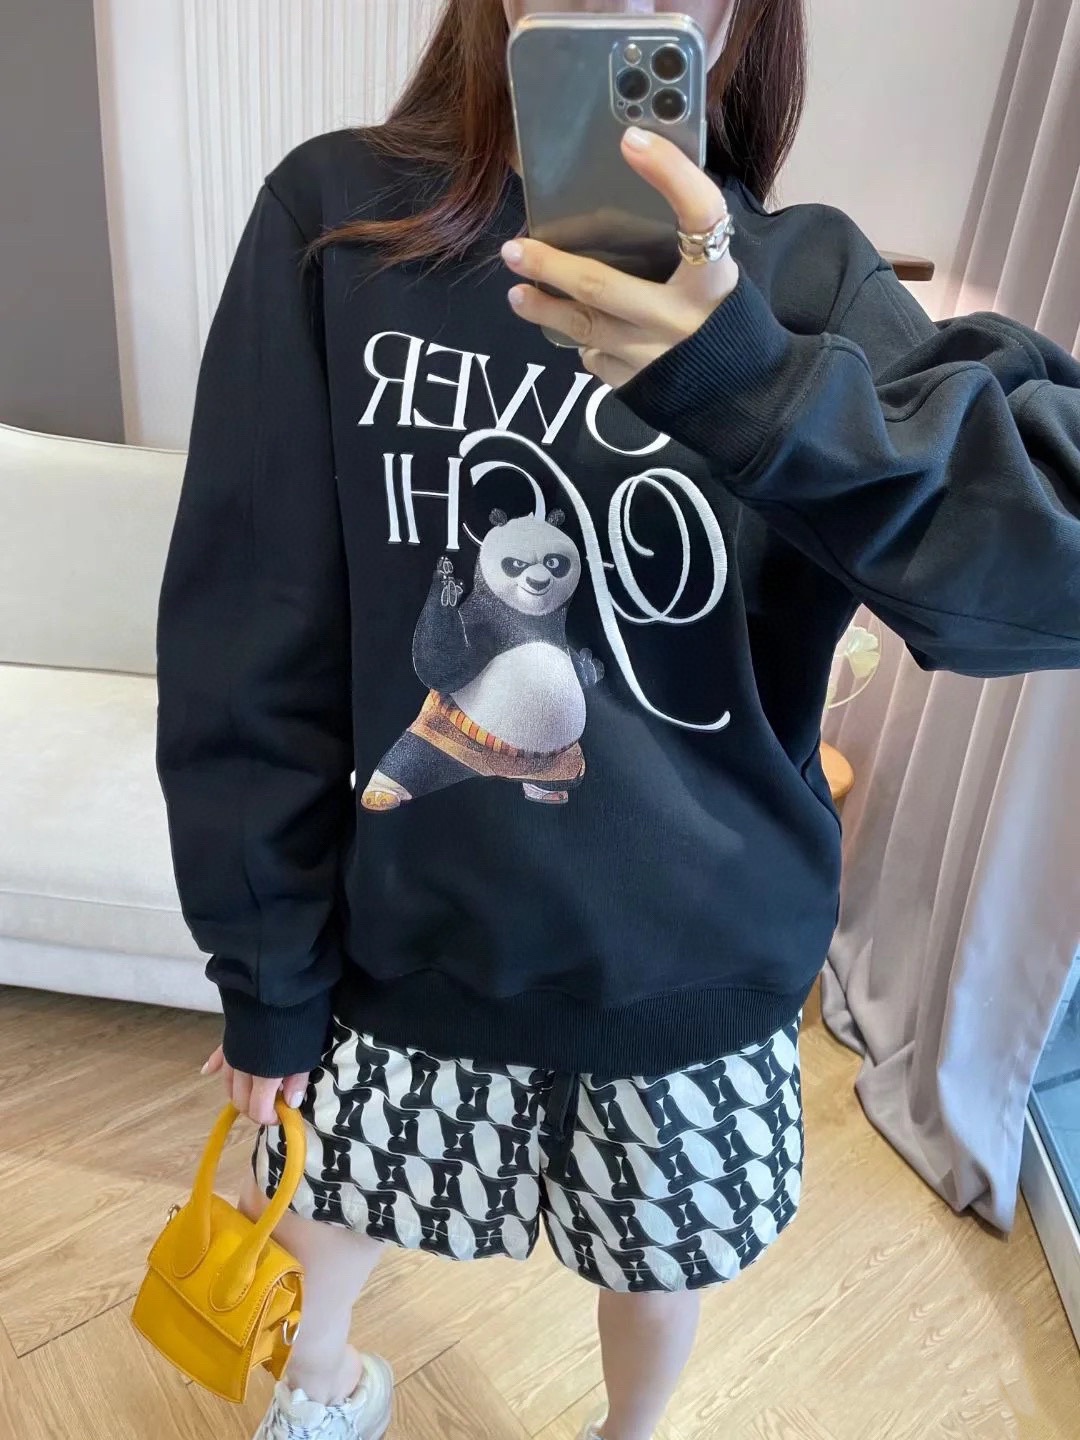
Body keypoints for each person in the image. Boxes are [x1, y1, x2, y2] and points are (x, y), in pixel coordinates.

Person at [156, 0, 1080, 1436]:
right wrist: (265, 969)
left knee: (659, 1267)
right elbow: (253, 633)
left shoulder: (807, 284)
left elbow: (1050, 558)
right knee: (337, 1199)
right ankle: (320, 1384)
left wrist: (754, 381)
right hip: (415, 937)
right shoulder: (338, 225)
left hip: (696, 963)